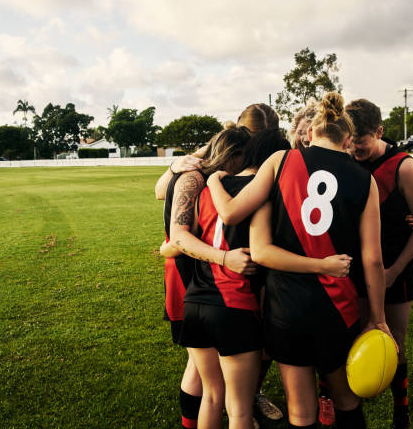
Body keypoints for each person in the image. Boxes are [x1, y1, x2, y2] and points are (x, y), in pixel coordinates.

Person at [207, 92, 393, 428]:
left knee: (301, 411)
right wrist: (378, 318)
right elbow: (373, 259)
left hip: (286, 306)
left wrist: (211, 178)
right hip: (338, 306)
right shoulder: (365, 179)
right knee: (346, 399)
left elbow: (233, 215)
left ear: (309, 134)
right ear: (349, 139)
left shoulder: (281, 160)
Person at [163, 129, 287, 429]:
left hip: (194, 301)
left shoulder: (206, 189)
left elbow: (174, 243)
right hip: (234, 305)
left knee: (211, 396)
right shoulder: (262, 193)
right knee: (240, 410)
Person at [345, 99, 413, 429]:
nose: (354, 148)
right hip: (354, 267)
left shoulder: (403, 166)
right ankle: (341, 401)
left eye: (361, 140)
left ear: (379, 132)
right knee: (349, 335)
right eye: (349, 140)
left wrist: (394, 271)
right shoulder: (345, 160)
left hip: (394, 269)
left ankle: (401, 410)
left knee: (395, 341)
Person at [160, 127, 251, 429]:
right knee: (225, 398)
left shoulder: (201, 178)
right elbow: (177, 239)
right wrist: (226, 258)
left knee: (207, 384)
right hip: (211, 289)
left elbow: (163, 198)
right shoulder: (200, 181)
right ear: (234, 156)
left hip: (197, 290)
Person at [154, 103, 279, 201]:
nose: (259, 148)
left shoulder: (277, 155)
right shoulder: (216, 152)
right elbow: (160, 192)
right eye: (253, 140)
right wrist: (173, 168)